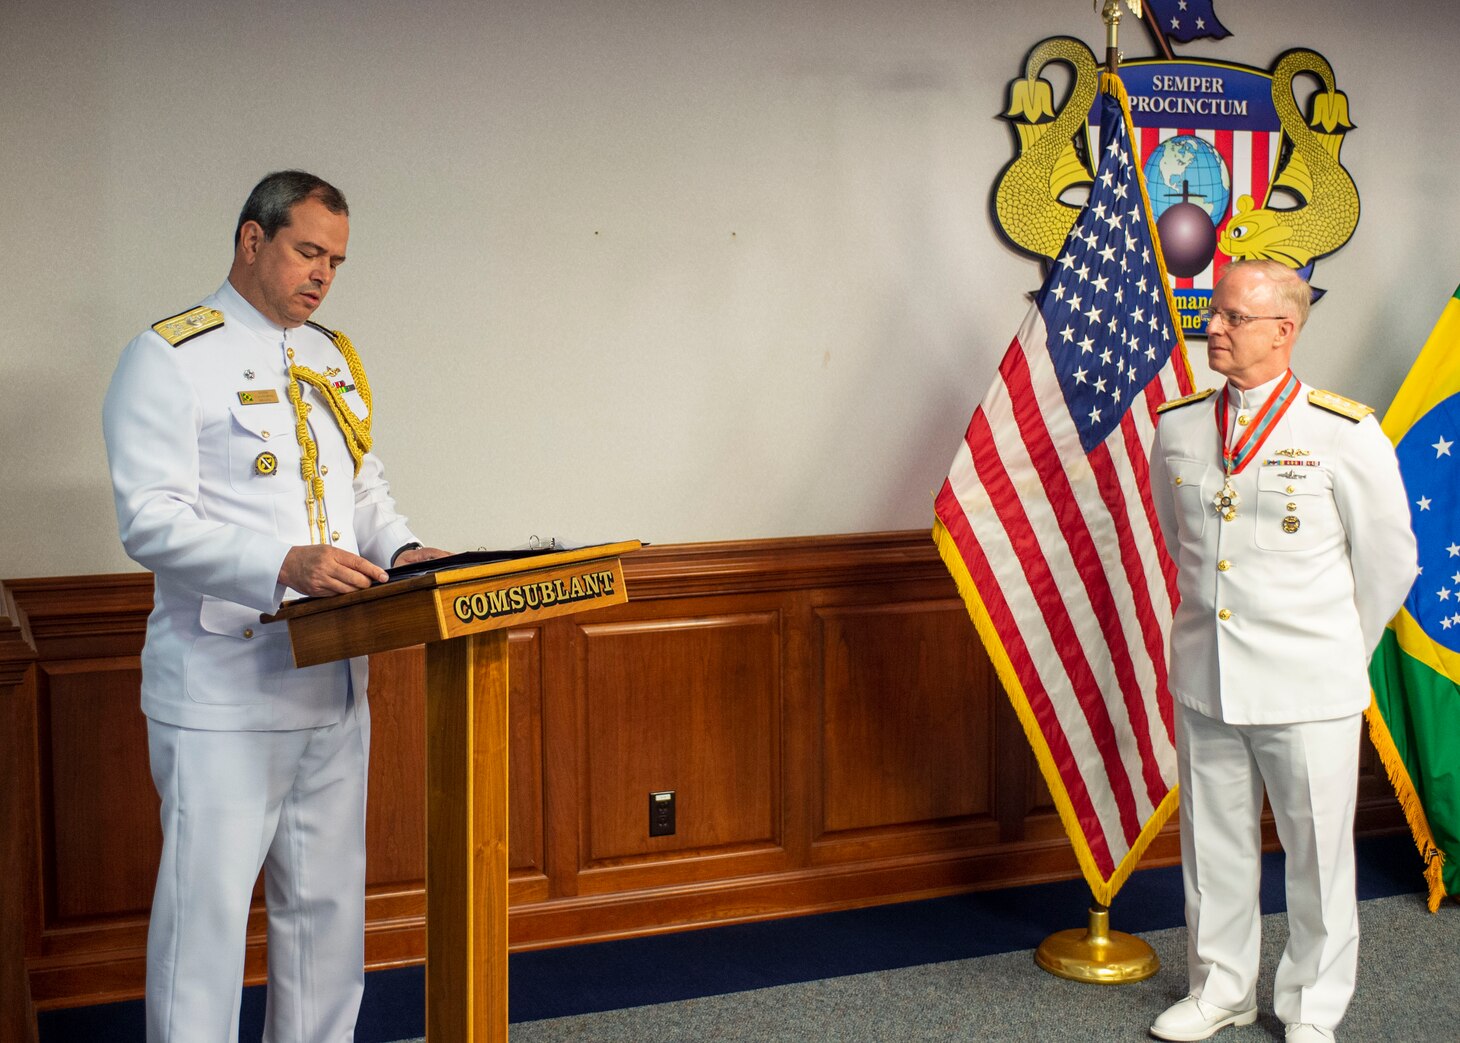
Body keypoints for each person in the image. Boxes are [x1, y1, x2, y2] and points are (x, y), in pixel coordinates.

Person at [102, 170, 446, 1042]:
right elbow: (150, 521)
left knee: (327, 916)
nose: (323, 274)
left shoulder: (330, 356)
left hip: (333, 683)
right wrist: (282, 562)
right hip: (225, 688)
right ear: (252, 240)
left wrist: (400, 549)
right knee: (206, 927)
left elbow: (362, 488)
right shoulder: (172, 355)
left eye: (335, 259)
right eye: (307, 251)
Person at [1146, 260, 1417, 1043]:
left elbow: (1390, 560)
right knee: (1214, 845)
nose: (1214, 328)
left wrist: (1336, 646)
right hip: (1209, 672)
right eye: (1214, 313)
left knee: (1317, 858)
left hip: (1309, 684)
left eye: (1233, 317)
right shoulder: (1181, 424)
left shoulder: (1344, 432)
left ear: (1283, 331)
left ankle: (1312, 1007)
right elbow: (1182, 542)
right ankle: (1220, 990)